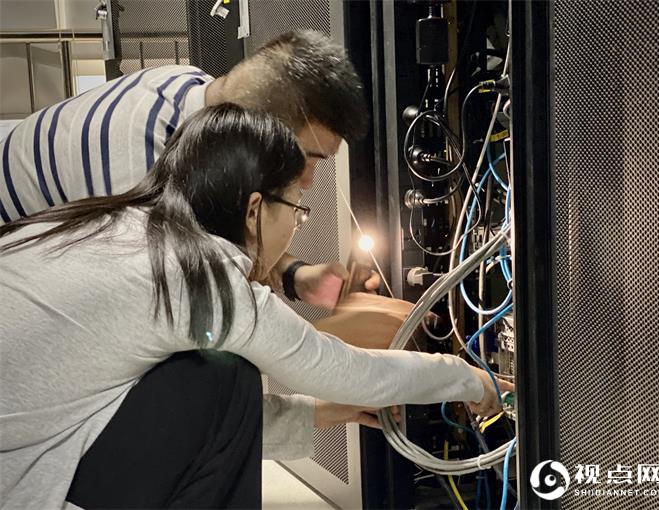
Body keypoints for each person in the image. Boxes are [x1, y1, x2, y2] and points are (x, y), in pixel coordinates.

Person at [0, 104, 511, 509]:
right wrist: (470, 378)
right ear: (253, 208)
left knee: (206, 372)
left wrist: (324, 414)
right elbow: (345, 370)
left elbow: (192, 425)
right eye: (298, 209)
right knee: (223, 371)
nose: (296, 226)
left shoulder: (114, 226)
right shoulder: (196, 277)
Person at [0, 29, 377, 307]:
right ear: (258, 128)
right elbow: (193, 308)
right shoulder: (140, 176)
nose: (308, 181)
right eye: (306, 158)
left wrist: (297, 276)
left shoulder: (190, 88)